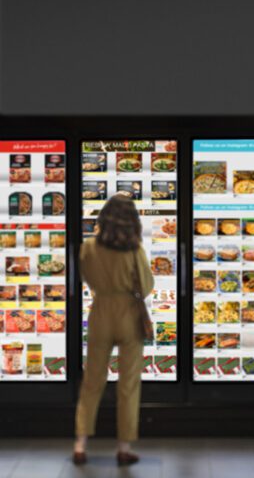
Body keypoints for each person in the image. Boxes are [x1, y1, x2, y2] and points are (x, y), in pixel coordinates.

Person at [73, 194, 154, 466]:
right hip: (129, 314)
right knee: (128, 384)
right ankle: (123, 447)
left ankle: (80, 444)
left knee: (92, 380)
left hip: (100, 312)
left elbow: (85, 276)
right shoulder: (134, 249)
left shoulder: (88, 247)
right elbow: (146, 285)